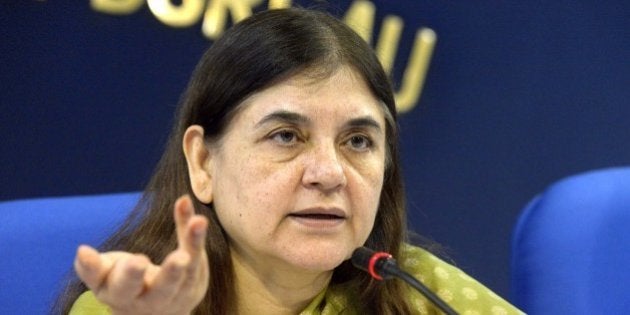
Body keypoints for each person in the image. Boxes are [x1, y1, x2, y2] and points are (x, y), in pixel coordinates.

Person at [56, 7, 523, 315]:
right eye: (286, 136)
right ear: (202, 162)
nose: (328, 173)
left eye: (358, 141)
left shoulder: (417, 292)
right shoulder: (132, 306)